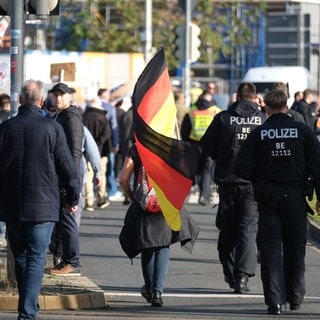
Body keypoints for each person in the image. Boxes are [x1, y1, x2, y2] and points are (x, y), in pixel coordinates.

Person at [234, 89, 320, 315]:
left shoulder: (259, 134)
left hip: (268, 196)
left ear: (267, 108)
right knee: (295, 247)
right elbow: (318, 166)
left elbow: (241, 167)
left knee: (271, 249)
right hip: (295, 196)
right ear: (287, 106)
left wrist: (258, 176)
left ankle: (275, 302)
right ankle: (295, 297)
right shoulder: (303, 131)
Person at [0, 79, 80, 319]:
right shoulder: (52, 128)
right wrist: (72, 196)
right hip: (43, 205)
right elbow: (67, 167)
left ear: (21, 100)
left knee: (23, 256)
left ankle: (28, 309)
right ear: (41, 101)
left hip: (13, 206)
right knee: (35, 257)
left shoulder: (5, 128)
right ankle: (27, 312)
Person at [200, 83, 267, 293]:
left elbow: (207, 146)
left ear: (237, 96)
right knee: (248, 230)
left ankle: (231, 274)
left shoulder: (223, 118)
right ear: (255, 97)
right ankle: (242, 277)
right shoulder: (264, 120)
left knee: (227, 230)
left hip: (228, 182)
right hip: (253, 184)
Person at [118, 144, 199, 307]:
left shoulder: (136, 148)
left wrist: (132, 197)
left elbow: (123, 178)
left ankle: (148, 289)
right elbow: (184, 175)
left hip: (144, 203)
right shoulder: (170, 146)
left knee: (147, 246)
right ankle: (157, 291)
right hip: (167, 202)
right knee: (163, 246)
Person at [46, 82, 84, 275]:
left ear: (69, 96)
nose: (58, 98)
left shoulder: (71, 118)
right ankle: (64, 260)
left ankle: (72, 261)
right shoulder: (62, 115)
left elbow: (75, 153)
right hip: (62, 175)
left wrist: (73, 184)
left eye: (62, 95)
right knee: (63, 219)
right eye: (55, 94)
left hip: (68, 176)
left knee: (68, 219)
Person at [181, 93, 222, 205]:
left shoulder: (191, 109)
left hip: (194, 142)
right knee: (207, 169)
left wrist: (186, 142)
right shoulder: (215, 110)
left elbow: (185, 127)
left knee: (195, 168)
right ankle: (204, 195)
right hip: (210, 143)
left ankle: (193, 189)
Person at [82, 97, 111, 210]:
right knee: (101, 175)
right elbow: (107, 133)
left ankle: (89, 202)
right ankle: (101, 198)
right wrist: (98, 144)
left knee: (88, 176)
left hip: (86, 152)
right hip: (102, 151)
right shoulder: (102, 117)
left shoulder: (84, 117)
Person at [98, 88, 122, 201]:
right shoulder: (110, 109)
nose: (109, 96)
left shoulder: (90, 107)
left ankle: (97, 190)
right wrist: (116, 143)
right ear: (103, 95)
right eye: (107, 94)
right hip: (109, 142)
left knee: (97, 168)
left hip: (96, 142)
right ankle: (112, 190)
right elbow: (114, 127)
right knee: (110, 167)